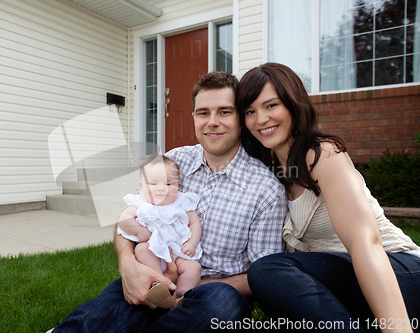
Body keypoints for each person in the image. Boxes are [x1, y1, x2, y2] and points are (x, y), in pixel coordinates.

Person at [52, 71, 287, 333]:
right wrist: (129, 266)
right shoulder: (173, 162)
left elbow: (261, 278)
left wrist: (190, 287)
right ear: (194, 118)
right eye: (203, 113)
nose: (212, 122)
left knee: (221, 304)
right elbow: (131, 219)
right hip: (155, 272)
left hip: (211, 292)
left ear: (241, 119)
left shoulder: (266, 190)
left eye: (224, 112)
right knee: (101, 313)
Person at [237, 62, 420, 332]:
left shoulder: (324, 155)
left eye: (271, 105)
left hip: (394, 273)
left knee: (268, 270)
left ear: (293, 103)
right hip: (339, 283)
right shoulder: (267, 171)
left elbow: (365, 243)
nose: (260, 119)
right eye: (250, 111)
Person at [117, 154, 202, 309]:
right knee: (142, 249)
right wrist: (139, 231)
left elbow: (195, 222)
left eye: (169, 184)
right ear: (141, 186)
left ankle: (180, 297)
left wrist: (192, 243)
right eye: (153, 183)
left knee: (194, 268)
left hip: (177, 253)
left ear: (178, 186)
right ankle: (158, 283)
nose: (161, 188)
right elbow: (124, 219)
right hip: (153, 251)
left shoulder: (182, 202)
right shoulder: (140, 203)